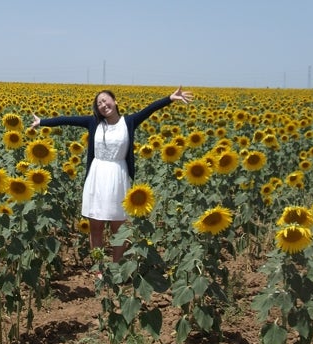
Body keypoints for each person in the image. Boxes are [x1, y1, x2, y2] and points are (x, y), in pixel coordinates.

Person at [29, 87, 193, 267]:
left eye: (105, 100)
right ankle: (98, 269)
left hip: (118, 175)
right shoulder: (94, 123)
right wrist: (43, 121)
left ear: (115, 101)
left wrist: (170, 98)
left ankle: (117, 268)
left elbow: (150, 109)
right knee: (96, 227)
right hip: (97, 175)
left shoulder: (129, 121)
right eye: (98, 103)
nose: (102, 105)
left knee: (119, 228)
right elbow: (67, 120)